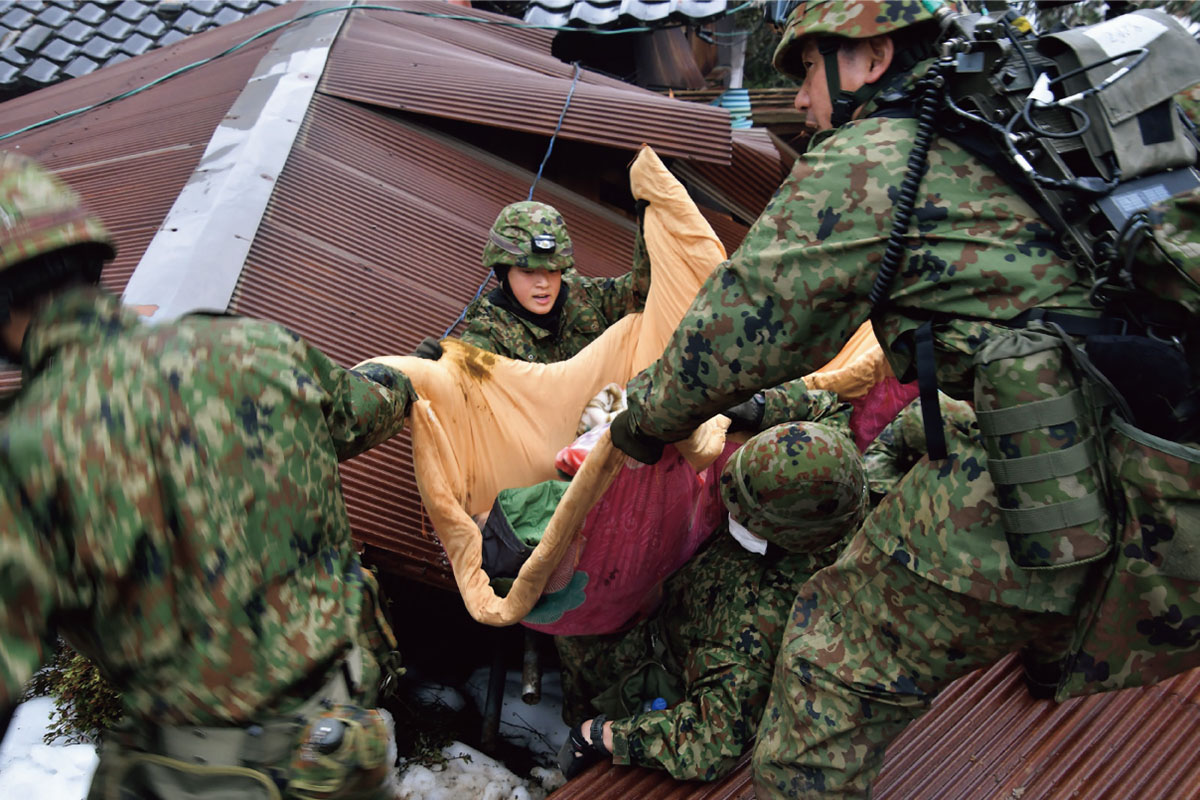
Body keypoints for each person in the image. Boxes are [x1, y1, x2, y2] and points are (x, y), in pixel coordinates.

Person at [606, 2, 1200, 796]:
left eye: (809, 71)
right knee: (943, 444)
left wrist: (642, 424)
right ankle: (1052, 631)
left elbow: (740, 330)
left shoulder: (880, 157)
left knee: (835, 648)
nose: (805, 103)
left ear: (873, 55)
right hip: (1163, 443)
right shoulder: (1017, 127)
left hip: (1086, 464)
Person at [0, 151, 419, 799]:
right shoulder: (259, 350)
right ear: (87, 256)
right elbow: (371, 409)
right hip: (344, 757)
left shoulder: (27, 449)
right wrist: (405, 373)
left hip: (203, 777)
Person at [556, 413, 867, 783]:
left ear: (785, 533)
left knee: (573, 631)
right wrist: (756, 406)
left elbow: (710, 744)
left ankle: (572, 717)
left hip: (671, 656)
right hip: (692, 592)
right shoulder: (837, 479)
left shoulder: (748, 624)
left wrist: (601, 735)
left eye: (745, 508)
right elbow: (827, 406)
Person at [456, 200, 650, 362]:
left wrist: (649, 231)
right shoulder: (489, 335)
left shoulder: (585, 298)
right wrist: (434, 370)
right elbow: (458, 381)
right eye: (528, 271)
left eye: (552, 270)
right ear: (503, 272)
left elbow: (644, 290)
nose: (543, 283)